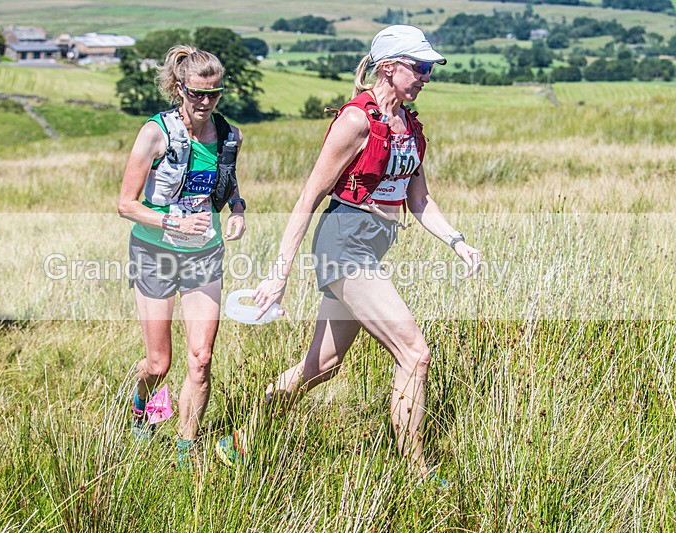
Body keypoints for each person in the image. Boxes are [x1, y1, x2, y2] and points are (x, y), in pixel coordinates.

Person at [216, 26, 480, 478]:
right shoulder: (357, 120)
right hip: (344, 244)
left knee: (324, 365)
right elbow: (309, 196)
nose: (426, 76)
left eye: (429, 68)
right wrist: (279, 276)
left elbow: (419, 200)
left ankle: (238, 438)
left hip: (371, 248)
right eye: (419, 67)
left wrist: (456, 240)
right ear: (389, 67)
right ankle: (418, 473)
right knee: (415, 353)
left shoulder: (409, 126)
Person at [117, 45, 246, 456]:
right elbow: (126, 204)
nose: (206, 102)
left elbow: (228, 185)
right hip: (155, 253)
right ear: (179, 88)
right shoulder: (154, 133)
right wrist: (173, 221)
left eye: (215, 93)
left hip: (204, 254)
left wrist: (238, 210)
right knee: (159, 365)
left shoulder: (229, 134)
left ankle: (184, 449)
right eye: (197, 93)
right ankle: (144, 408)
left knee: (201, 358)